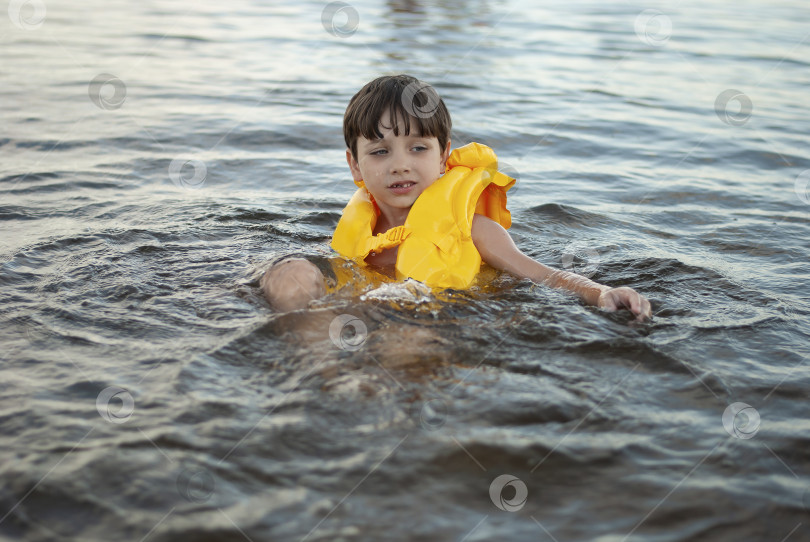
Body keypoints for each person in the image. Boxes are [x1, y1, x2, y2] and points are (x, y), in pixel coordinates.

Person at [261, 74, 652, 321]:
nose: (400, 165)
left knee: (409, 336)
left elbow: (544, 275)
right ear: (355, 167)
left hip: (436, 322)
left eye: (417, 148)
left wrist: (601, 292)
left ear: (444, 157)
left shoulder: (476, 230)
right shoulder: (363, 233)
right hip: (362, 313)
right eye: (380, 152)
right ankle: (320, 369)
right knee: (289, 273)